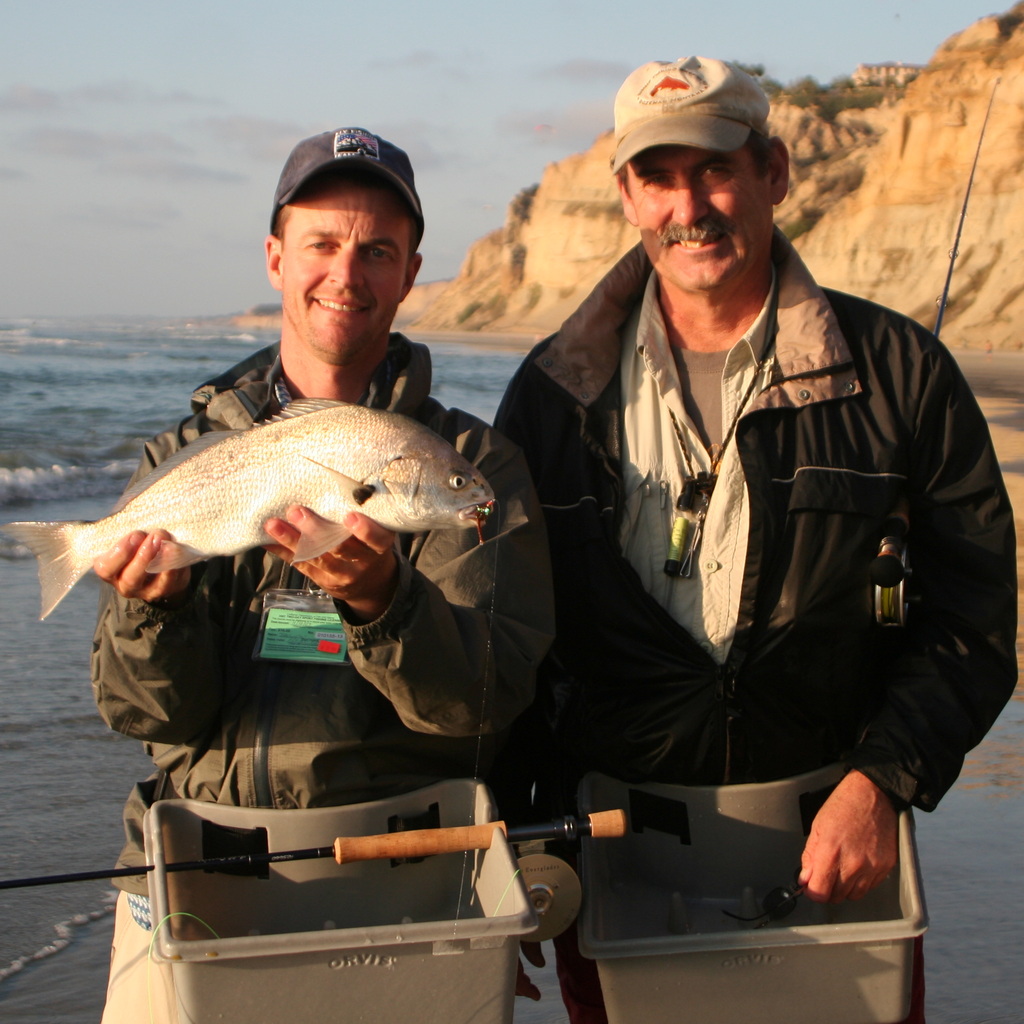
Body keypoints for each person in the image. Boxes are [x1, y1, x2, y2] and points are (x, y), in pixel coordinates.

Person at [494, 57, 1017, 1022]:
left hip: (835, 853)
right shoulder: (550, 397)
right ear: (625, 196)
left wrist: (884, 782)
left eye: (717, 168)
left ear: (775, 172)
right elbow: (510, 637)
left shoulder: (901, 374)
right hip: (615, 858)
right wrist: (509, 840)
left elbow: (976, 618)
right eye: (659, 177)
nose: (690, 205)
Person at [90, 127, 553, 1022]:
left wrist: (385, 604)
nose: (348, 273)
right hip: (194, 878)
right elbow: (143, 713)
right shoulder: (183, 459)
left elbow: (487, 704)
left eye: (378, 250)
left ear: (412, 273)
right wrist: (161, 612)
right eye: (323, 244)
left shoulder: (472, 471)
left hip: (397, 884)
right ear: (275, 257)